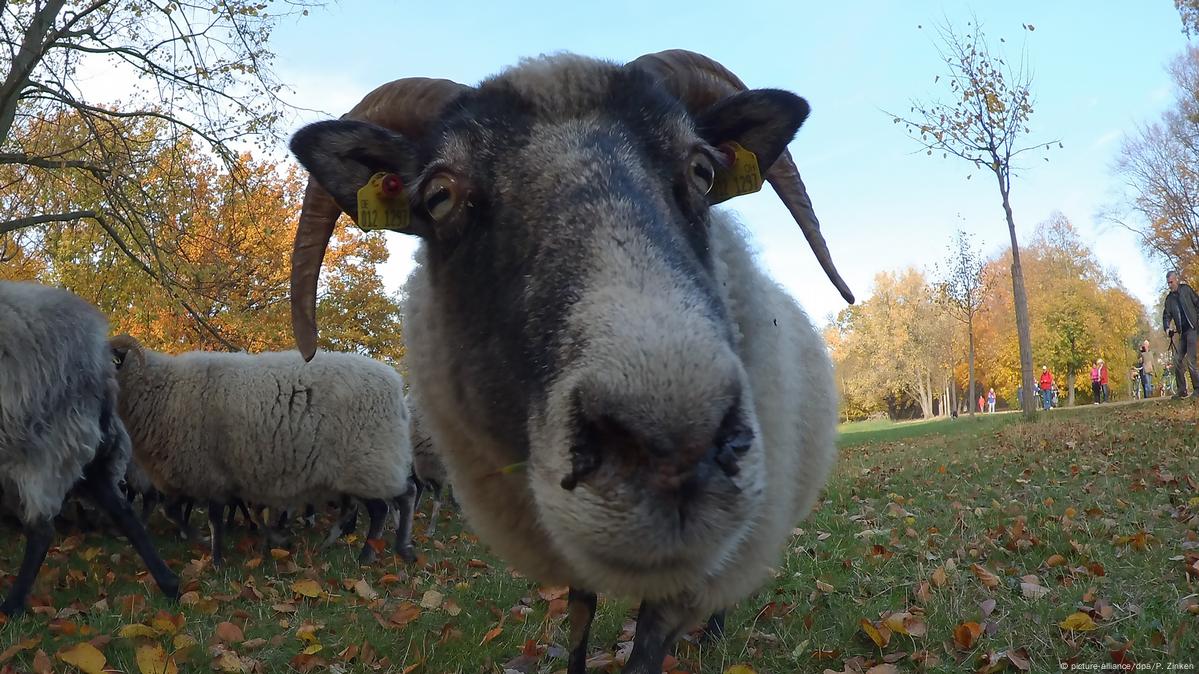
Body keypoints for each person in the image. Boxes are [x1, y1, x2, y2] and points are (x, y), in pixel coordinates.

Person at [1162, 269, 1199, 400]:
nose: (1170, 285)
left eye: (1171, 282)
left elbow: (1197, 303)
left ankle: (1197, 389)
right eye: (1168, 283)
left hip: (1192, 330)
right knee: (1177, 359)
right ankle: (1182, 390)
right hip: (1182, 333)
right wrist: (1167, 328)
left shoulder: (1186, 290)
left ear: (1176, 280)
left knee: (1191, 360)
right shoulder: (1169, 299)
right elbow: (1166, 316)